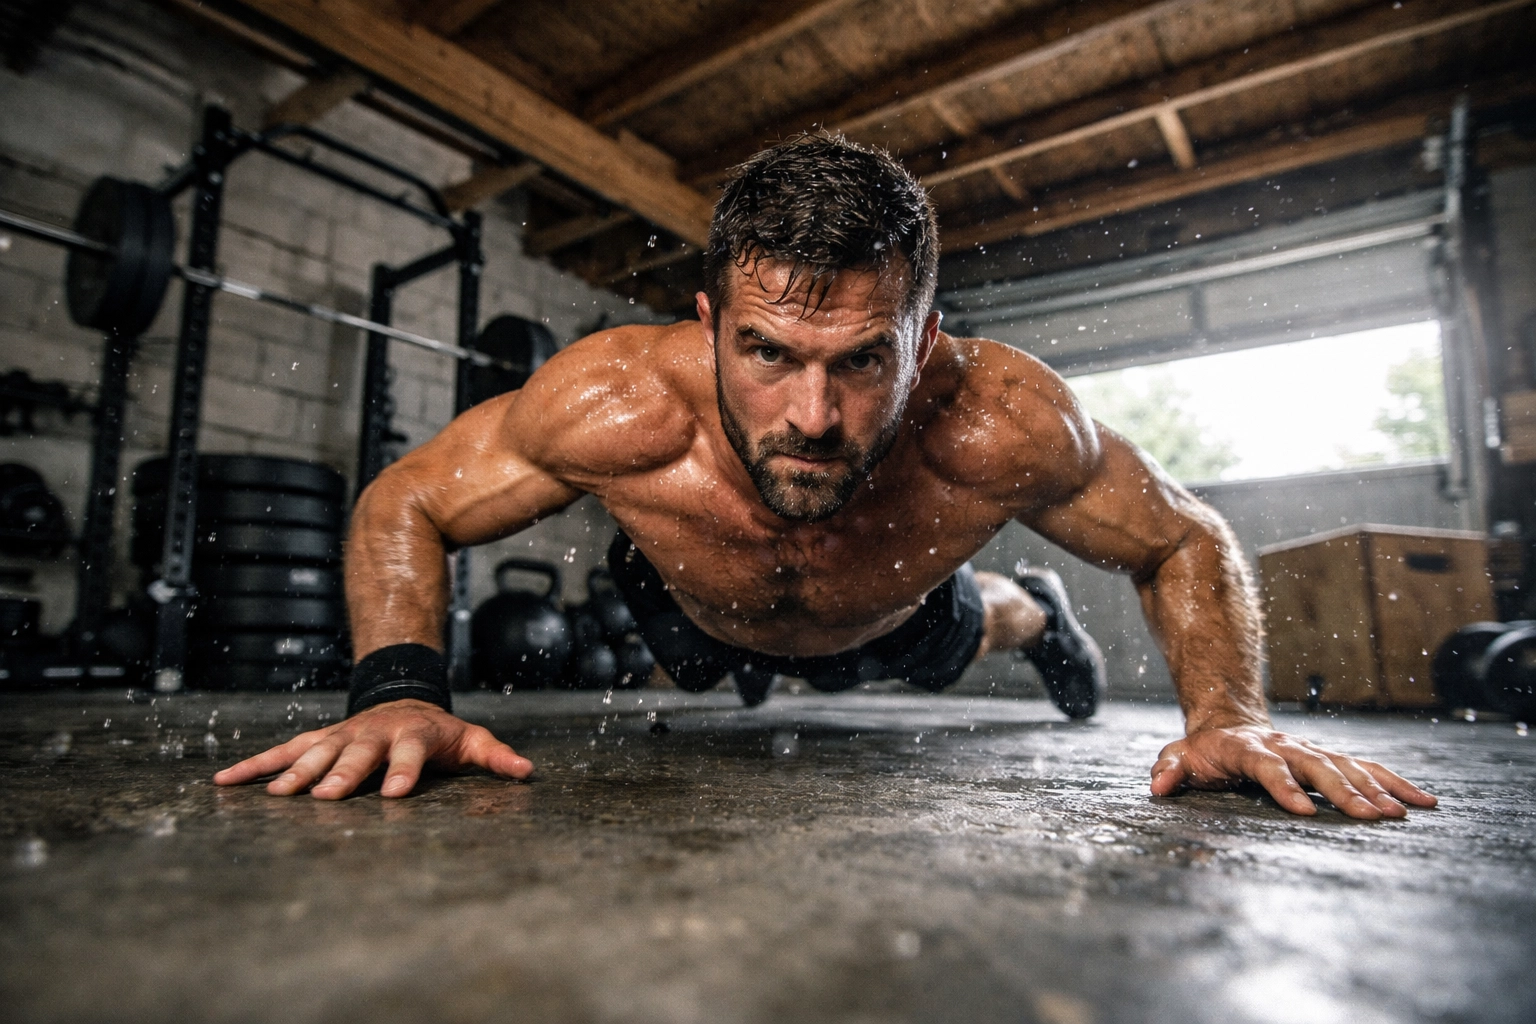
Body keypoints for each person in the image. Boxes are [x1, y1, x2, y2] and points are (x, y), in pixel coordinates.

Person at [215, 133, 1436, 821]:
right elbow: (406, 500)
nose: (813, 414)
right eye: (767, 352)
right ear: (709, 323)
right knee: (697, 658)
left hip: (890, 602)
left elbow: (1186, 534)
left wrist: (1230, 717)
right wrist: (396, 693)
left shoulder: (997, 419)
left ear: (924, 332)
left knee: (965, 622)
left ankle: (1035, 610)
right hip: (686, 606)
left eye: (862, 360)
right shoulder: (614, 401)